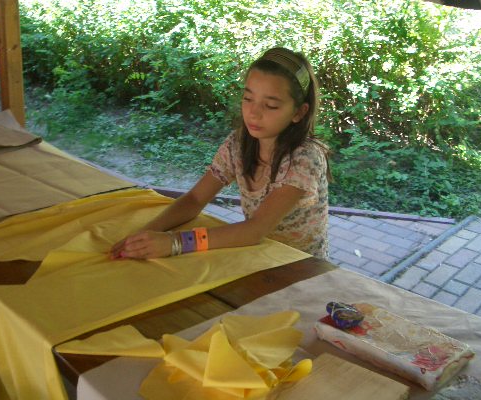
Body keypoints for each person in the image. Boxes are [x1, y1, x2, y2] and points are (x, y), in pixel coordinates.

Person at [111, 47, 331, 260]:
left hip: (303, 267)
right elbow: (195, 199)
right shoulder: (238, 144)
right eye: (248, 99)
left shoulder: (305, 158)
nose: (254, 113)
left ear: (299, 112)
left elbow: (254, 230)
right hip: (259, 258)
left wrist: (175, 242)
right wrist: (145, 234)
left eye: (271, 105)